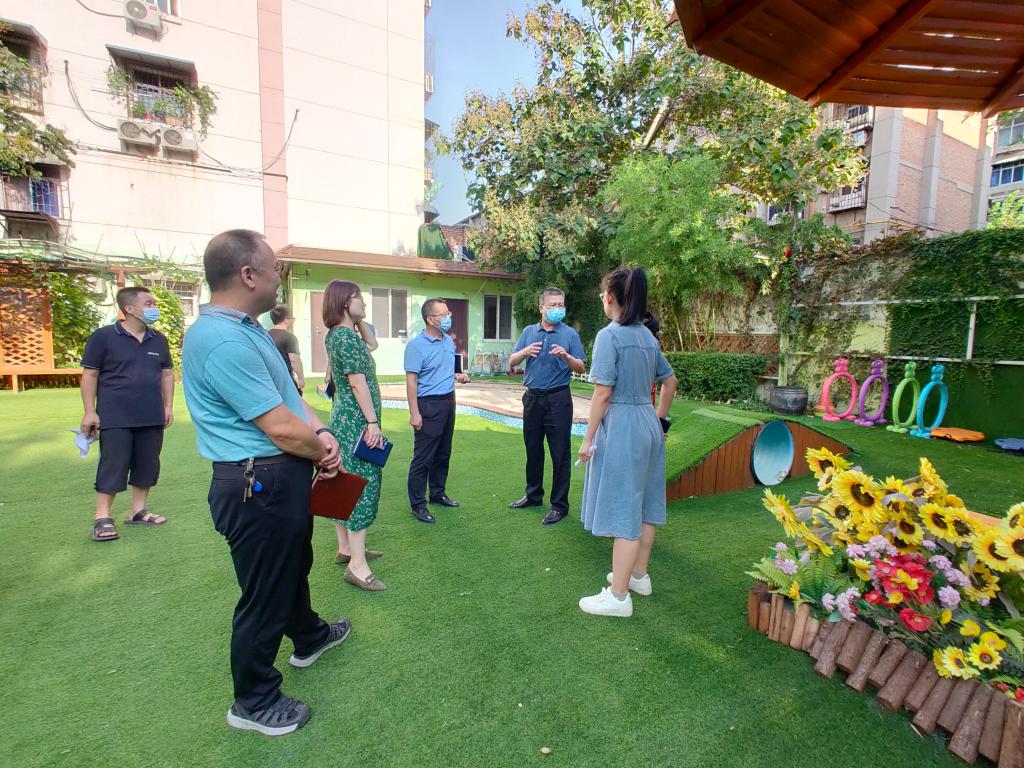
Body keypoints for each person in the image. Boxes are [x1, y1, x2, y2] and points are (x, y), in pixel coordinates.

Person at [182, 229, 349, 736]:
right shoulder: (221, 339)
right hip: (256, 483)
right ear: (248, 274)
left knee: (293, 565)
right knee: (265, 592)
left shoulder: (249, 329)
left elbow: (291, 402)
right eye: (276, 269)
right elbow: (278, 427)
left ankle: (310, 636)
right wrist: (321, 450)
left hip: (280, 475)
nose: (280, 278)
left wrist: (322, 434)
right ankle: (253, 701)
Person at [577, 267, 678, 618]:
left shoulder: (610, 336)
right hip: (648, 423)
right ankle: (638, 576)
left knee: (624, 509)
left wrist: (588, 438)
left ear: (610, 298)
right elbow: (670, 382)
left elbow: (603, 393)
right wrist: (660, 421)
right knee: (645, 503)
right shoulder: (648, 337)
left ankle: (618, 597)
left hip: (623, 426)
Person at [80, 286, 174, 542]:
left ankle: (138, 511)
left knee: (148, 463)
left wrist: (167, 406)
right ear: (130, 309)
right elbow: (90, 374)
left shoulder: (158, 339)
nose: (154, 308)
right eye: (149, 303)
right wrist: (90, 412)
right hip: (115, 415)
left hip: (151, 413)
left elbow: (167, 374)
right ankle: (102, 517)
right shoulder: (103, 337)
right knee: (114, 464)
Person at [322, 280, 387, 591]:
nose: (364, 302)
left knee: (344, 483)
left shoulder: (341, 335)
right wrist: (372, 422)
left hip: (345, 419)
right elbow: (358, 383)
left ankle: (346, 548)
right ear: (345, 303)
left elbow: (372, 344)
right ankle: (356, 566)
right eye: (358, 298)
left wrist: (359, 321)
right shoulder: (346, 338)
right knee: (361, 486)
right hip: (356, 423)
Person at [507, 288, 587, 525]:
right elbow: (512, 361)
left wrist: (567, 357)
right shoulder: (529, 332)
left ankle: (559, 505)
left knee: (560, 453)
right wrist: (525, 351)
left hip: (558, 400)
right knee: (533, 450)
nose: (557, 309)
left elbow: (581, 366)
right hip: (532, 399)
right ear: (541, 308)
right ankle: (533, 495)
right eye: (553, 305)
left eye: (561, 305)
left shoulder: (569, 334)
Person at [404, 298, 469, 524]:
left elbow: (447, 368)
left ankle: (438, 493)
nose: (449, 317)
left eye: (448, 312)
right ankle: (418, 504)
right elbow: (411, 381)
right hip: (428, 404)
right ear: (430, 319)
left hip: (448, 401)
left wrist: (458, 375)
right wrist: (414, 413)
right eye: (444, 314)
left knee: (443, 453)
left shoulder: (448, 341)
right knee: (424, 457)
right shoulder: (415, 346)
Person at [268, 305, 304, 394]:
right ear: (286, 319)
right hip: (285, 378)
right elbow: (294, 360)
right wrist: (301, 378)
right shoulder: (289, 337)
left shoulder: (265, 335)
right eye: (292, 318)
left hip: (268, 379)